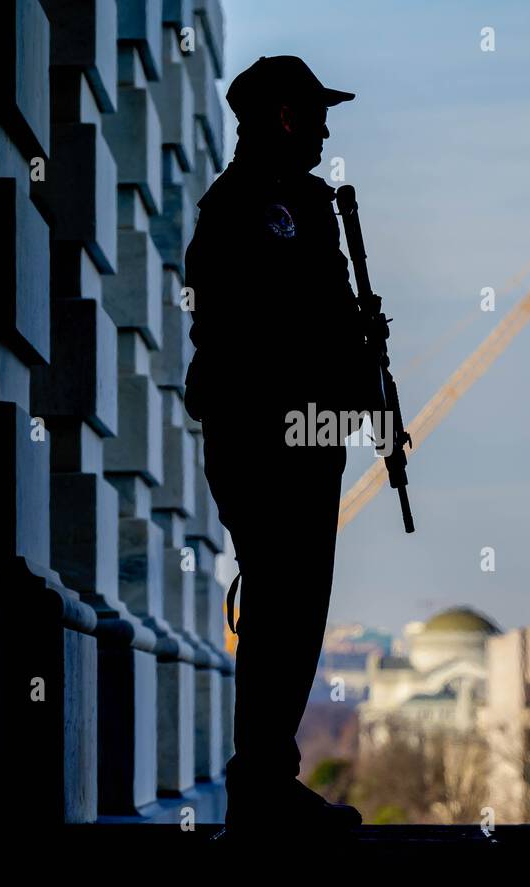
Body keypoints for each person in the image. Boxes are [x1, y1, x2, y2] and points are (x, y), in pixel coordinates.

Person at [184, 55, 375, 837]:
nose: (326, 126)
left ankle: (266, 780)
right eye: (314, 112)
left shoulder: (304, 201)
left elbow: (326, 312)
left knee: (296, 608)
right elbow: (239, 323)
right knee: (280, 605)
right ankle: (259, 789)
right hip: (268, 432)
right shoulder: (245, 206)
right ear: (286, 117)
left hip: (307, 431)